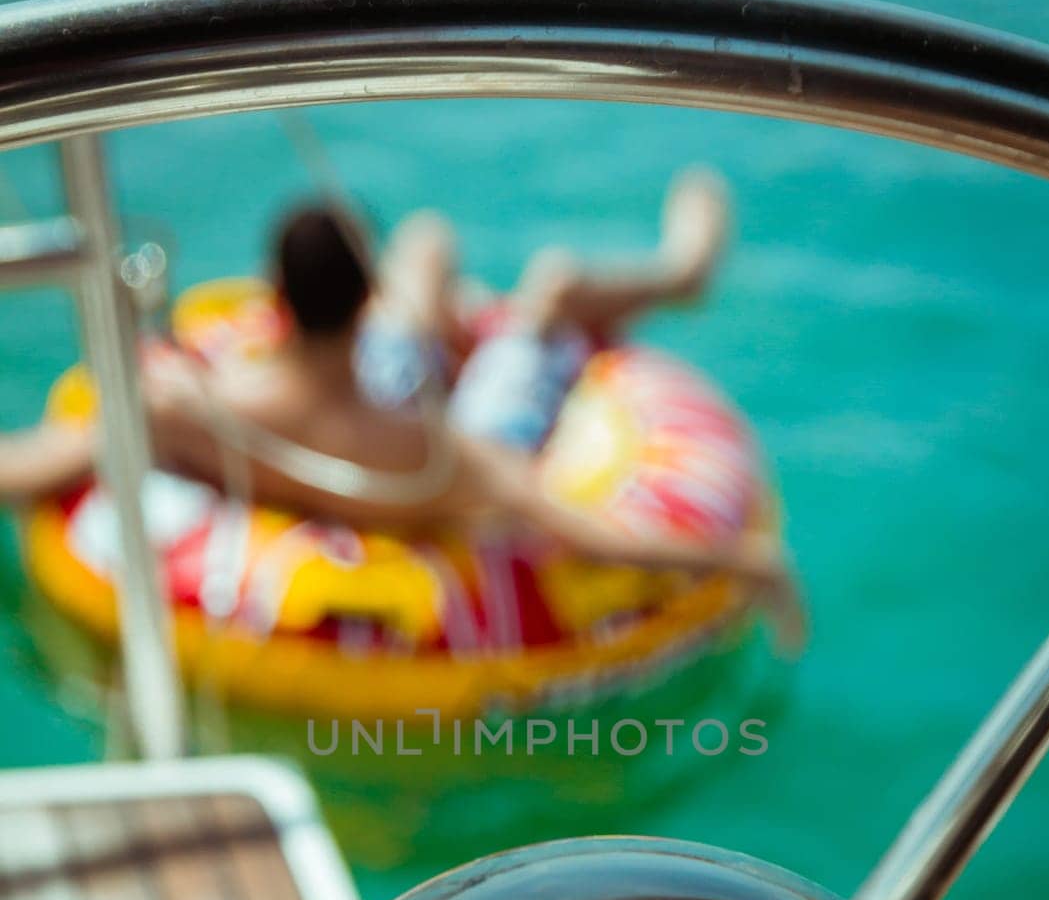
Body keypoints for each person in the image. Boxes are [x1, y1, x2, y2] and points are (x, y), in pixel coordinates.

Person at [0, 173, 804, 648]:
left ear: (272, 298)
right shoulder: (443, 457)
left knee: (427, 248)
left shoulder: (189, 407)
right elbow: (579, 528)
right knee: (550, 287)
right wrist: (749, 562)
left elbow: (34, 462)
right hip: (444, 421)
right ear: (364, 300)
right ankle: (684, 270)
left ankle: (444, 326)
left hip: (341, 390)